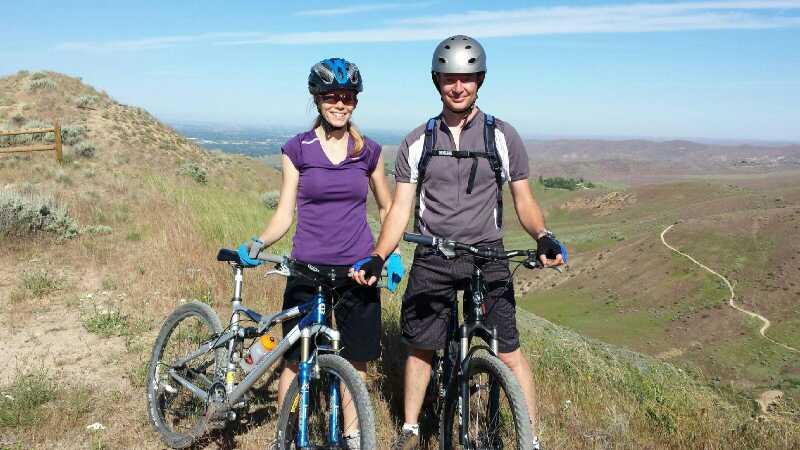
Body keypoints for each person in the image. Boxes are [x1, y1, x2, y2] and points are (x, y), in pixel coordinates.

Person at [352, 36, 565, 450]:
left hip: (488, 254)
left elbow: (524, 199)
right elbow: (400, 209)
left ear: (479, 80)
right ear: (437, 82)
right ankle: (411, 429)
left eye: (466, 79)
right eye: (450, 79)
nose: (458, 87)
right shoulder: (418, 142)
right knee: (421, 347)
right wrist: (380, 255)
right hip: (434, 254)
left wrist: (542, 235)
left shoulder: (502, 136)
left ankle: (530, 438)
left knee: (508, 351)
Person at [243, 57, 392, 450]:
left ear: (355, 101)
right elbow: (284, 213)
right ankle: (287, 434)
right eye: (331, 96)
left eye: (347, 97)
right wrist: (259, 243)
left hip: (358, 271)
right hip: (307, 269)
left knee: (355, 361)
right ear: (317, 99)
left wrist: (386, 254)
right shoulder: (298, 149)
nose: (339, 104)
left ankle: (354, 435)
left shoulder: (369, 151)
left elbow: (387, 209)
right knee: (294, 360)